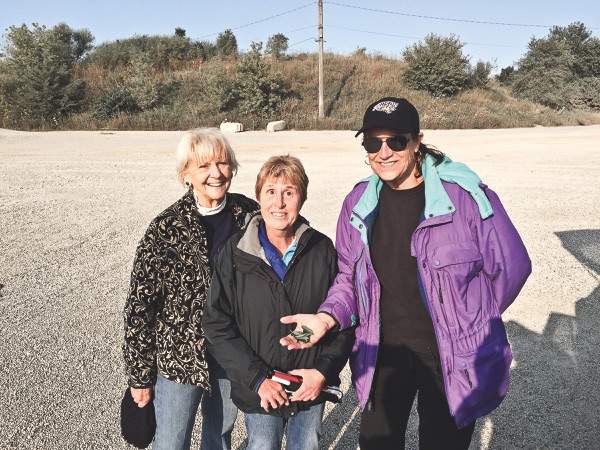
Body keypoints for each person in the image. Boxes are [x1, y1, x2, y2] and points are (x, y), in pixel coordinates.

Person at [279, 97, 532, 449]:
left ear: (416, 141)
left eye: (396, 140)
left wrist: (469, 319)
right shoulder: (358, 203)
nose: (384, 152)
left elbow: (512, 267)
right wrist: (327, 317)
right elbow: (348, 279)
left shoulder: (466, 198)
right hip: (382, 350)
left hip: (449, 354)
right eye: (372, 142)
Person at [202, 155, 354, 450]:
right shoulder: (235, 254)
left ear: (302, 198)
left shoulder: (321, 250)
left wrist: (322, 371)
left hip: (308, 383)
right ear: (258, 197)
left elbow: (343, 317)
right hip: (260, 384)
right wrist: (258, 378)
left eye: (289, 192)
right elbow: (217, 323)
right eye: (270, 191)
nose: (279, 203)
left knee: (308, 443)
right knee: (261, 443)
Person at [123, 128, 259, 450]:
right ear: (186, 174)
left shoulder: (249, 215)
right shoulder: (165, 227)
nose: (216, 173)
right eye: (204, 166)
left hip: (231, 351)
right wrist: (140, 377)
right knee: (171, 442)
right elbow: (140, 307)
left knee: (219, 438)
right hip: (179, 357)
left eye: (223, 163)